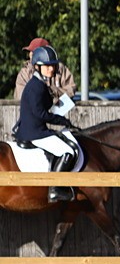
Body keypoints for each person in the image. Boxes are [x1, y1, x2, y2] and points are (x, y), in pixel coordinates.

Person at [15, 46, 77, 203]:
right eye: (47, 66)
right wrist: (62, 120)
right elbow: (40, 114)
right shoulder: (36, 86)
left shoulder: (39, 85)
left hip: (34, 129)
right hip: (35, 133)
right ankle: (55, 189)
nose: (51, 69)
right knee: (68, 151)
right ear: (37, 66)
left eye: (53, 65)